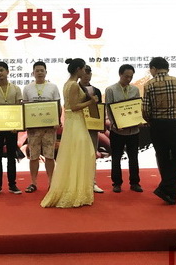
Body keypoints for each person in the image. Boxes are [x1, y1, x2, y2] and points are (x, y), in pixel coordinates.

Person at [41, 58, 98, 208]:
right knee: (81, 154)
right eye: (83, 68)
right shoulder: (73, 85)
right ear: (78, 69)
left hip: (74, 122)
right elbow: (73, 106)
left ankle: (76, 189)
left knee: (76, 154)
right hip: (76, 122)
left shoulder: (68, 83)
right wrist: (91, 101)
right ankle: (75, 191)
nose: (85, 71)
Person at [142, 57, 176, 205]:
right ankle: (169, 190)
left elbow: (145, 110)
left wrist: (152, 121)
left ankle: (166, 188)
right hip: (174, 123)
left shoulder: (149, 84)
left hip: (157, 125)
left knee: (163, 157)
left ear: (154, 68)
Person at [22, 61, 60, 193]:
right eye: (37, 71)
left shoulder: (53, 87)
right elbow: (24, 107)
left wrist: (57, 121)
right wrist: (26, 123)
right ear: (33, 73)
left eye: (42, 70)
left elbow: (57, 106)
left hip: (49, 127)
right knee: (33, 156)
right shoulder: (27, 88)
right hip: (33, 128)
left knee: (49, 156)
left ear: (46, 72)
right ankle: (33, 182)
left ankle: (51, 182)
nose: (39, 73)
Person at [0, 61, 23, 195]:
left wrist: (17, 125)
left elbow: (18, 108)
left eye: (2, 70)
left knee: (11, 156)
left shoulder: (16, 89)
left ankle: (12, 184)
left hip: (12, 127)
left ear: (7, 72)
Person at [105, 64, 143, 193]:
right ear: (120, 74)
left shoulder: (135, 89)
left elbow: (137, 108)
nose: (128, 79)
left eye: (131, 77)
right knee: (116, 157)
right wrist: (114, 124)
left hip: (133, 130)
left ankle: (135, 182)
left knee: (134, 157)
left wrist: (139, 120)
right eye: (126, 76)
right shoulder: (110, 90)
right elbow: (109, 109)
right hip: (117, 131)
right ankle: (116, 183)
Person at [79, 65, 105, 194]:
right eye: (84, 73)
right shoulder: (75, 88)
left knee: (92, 154)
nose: (86, 76)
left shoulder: (97, 91)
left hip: (93, 127)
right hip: (79, 126)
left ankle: (92, 182)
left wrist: (100, 124)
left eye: (88, 73)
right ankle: (79, 183)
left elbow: (100, 109)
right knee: (78, 155)